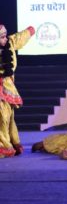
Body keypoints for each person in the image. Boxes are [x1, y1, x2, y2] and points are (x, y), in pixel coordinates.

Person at [0, 24, 35, 158]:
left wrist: (30, 31)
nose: (4, 39)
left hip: (8, 87)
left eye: (4, 36)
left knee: (9, 117)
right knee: (2, 116)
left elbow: (20, 37)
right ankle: (4, 146)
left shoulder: (10, 42)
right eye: (1, 37)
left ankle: (14, 143)